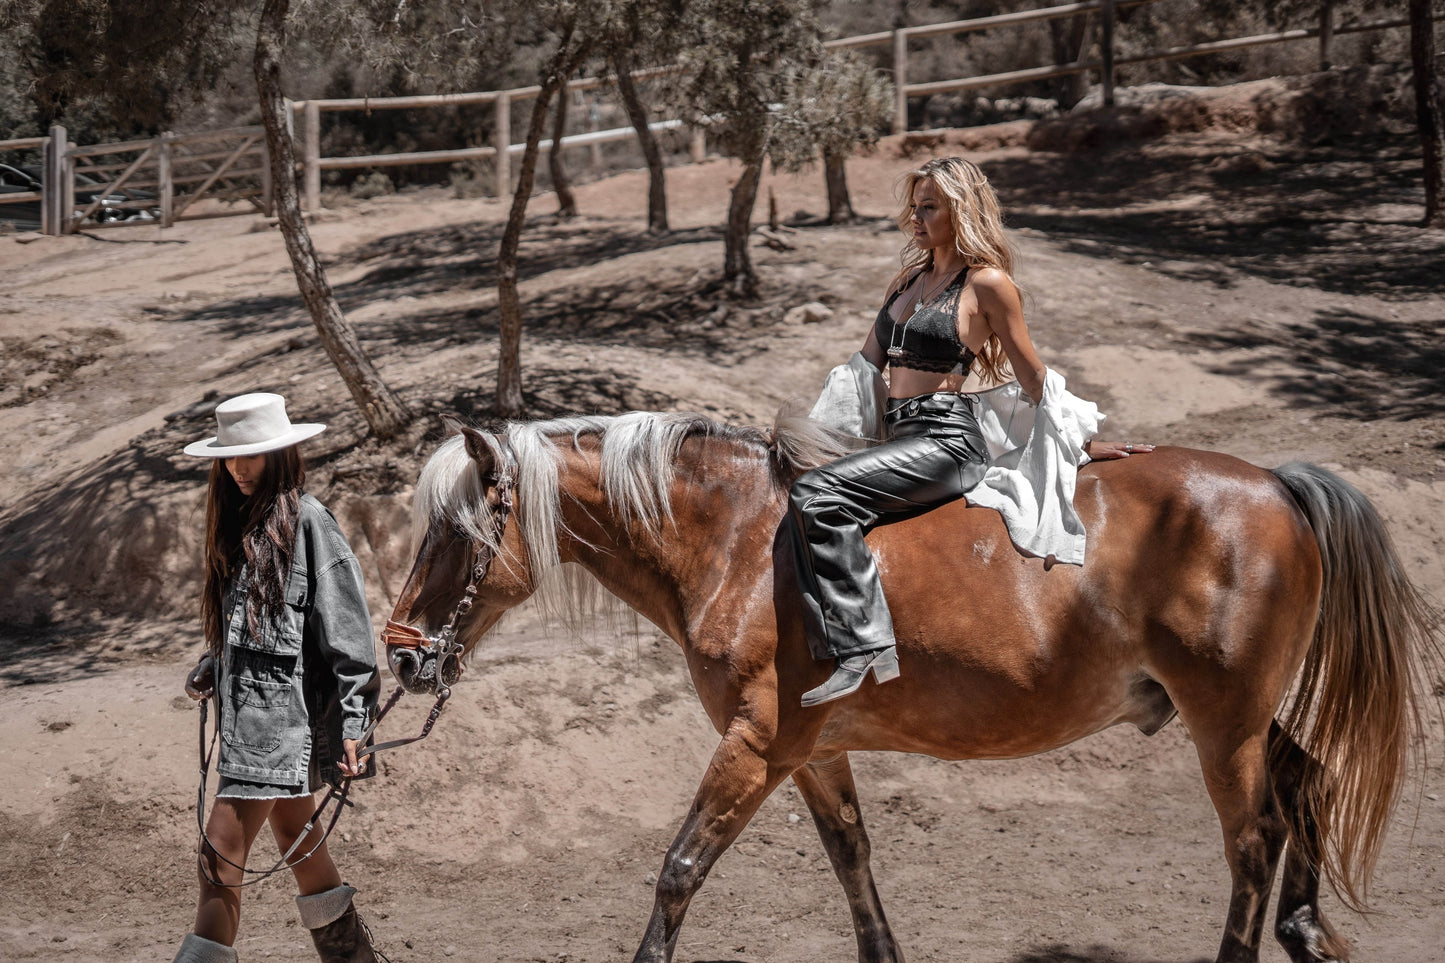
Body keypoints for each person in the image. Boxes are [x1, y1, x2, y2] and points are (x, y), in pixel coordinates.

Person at [790, 156, 1151, 708]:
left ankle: (863, 647)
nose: (915, 218)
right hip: (899, 435)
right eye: (914, 207)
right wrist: (812, 437)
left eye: (929, 207)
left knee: (816, 494)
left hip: (946, 441)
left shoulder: (987, 285)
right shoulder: (907, 282)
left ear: (960, 211)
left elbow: (1033, 377)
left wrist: (1075, 442)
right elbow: (862, 370)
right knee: (806, 481)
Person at [174, 393, 383, 963]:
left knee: (218, 860)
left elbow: (349, 637)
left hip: (276, 732)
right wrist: (215, 664)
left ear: (282, 455)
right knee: (298, 840)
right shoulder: (241, 524)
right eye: (230, 457)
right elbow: (255, 628)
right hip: (248, 724)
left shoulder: (310, 522)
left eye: (252, 455)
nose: (238, 468)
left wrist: (356, 722)